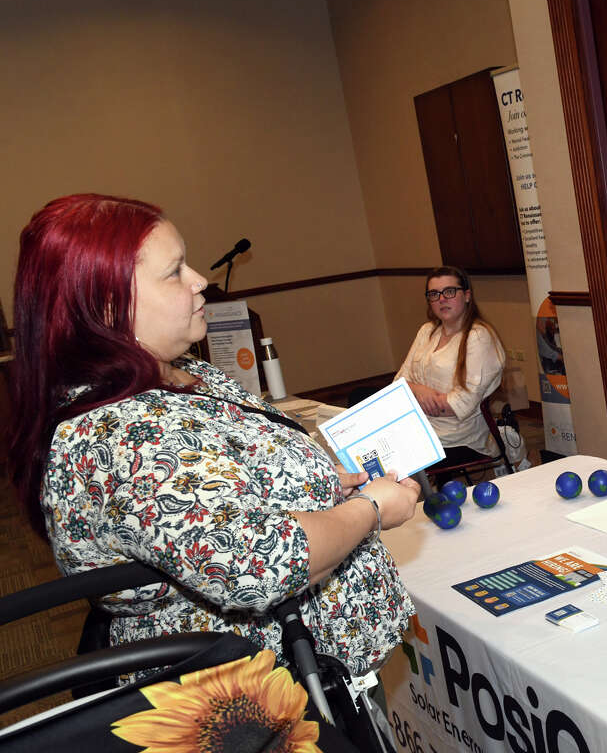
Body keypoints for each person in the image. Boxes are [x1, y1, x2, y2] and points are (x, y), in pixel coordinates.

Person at [7, 194, 422, 675]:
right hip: (254, 695)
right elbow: (264, 565)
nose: (200, 279)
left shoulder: (180, 371)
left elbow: (227, 480)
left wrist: (318, 485)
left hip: (319, 661)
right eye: (174, 270)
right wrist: (370, 509)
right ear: (106, 303)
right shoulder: (117, 437)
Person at [397, 266, 506, 478]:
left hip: (458, 437)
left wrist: (412, 398)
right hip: (418, 428)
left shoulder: (478, 336)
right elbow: (397, 383)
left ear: (466, 295)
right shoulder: (426, 331)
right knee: (370, 451)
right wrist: (421, 391)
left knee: (392, 460)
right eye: (434, 294)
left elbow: (462, 404)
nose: (441, 299)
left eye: (449, 292)